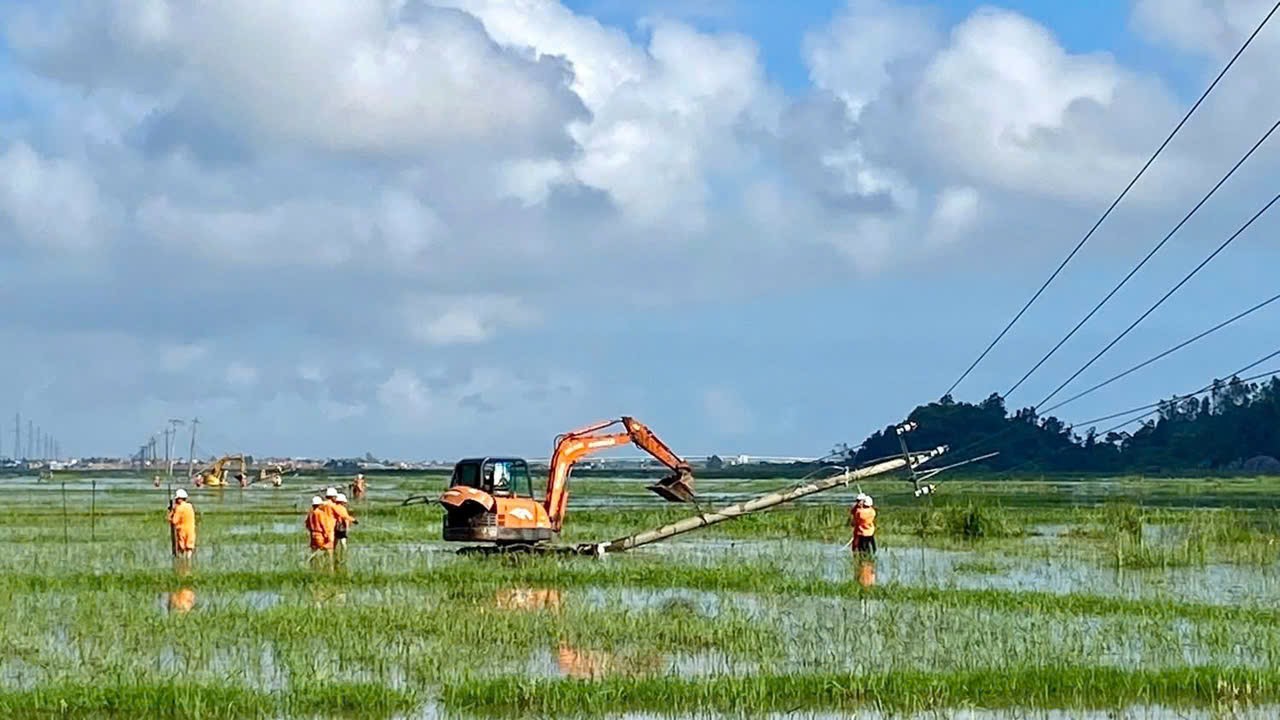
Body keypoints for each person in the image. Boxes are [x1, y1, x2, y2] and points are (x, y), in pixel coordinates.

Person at [167, 488, 196, 561]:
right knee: (189, 548)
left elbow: (174, 521)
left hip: (182, 530)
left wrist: (171, 513)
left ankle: (181, 562)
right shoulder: (190, 506)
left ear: (179, 499)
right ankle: (188, 562)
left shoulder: (179, 508)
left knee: (181, 548)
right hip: (191, 530)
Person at [305, 495, 336, 562]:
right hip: (320, 534)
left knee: (314, 549)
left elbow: (307, 524)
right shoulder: (320, 513)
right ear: (319, 505)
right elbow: (323, 525)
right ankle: (329, 565)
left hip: (312, 534)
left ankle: (314, 565)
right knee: (328, 549)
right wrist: (327, 535)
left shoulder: (310, 513)